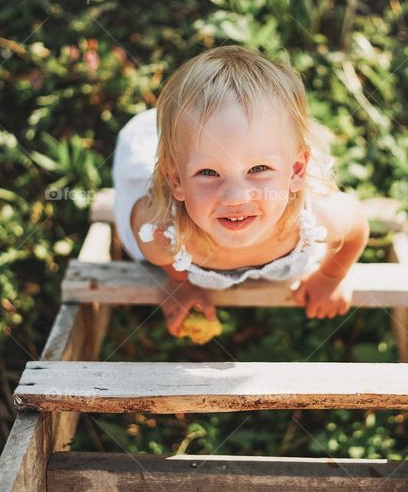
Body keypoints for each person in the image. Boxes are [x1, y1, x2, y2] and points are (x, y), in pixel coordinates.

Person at [112, 45, 370, 337]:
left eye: (258, 169)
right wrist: (179, 284)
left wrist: (331, 276)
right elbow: (152, 243)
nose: (235, 197)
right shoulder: (163, 236)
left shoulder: (320, 218)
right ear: (177, 181)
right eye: (208, 173)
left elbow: (357, 225)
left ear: (297, 171)